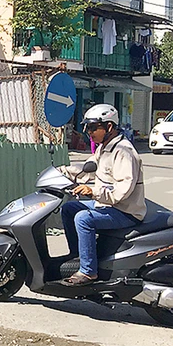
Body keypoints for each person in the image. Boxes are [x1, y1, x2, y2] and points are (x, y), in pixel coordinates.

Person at [59, 104, 146, 285]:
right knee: (69, 209)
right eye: (87, 127)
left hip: (125, 211)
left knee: (83, 218)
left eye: (92, 127)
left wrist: (92, 191)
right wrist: (61, 172)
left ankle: (89, 271)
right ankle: (79, 257)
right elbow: (86, 170)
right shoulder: (104, 148)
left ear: (109, 127)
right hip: (107, 206)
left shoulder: (124, 152)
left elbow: (123, 190)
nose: (88, 132)